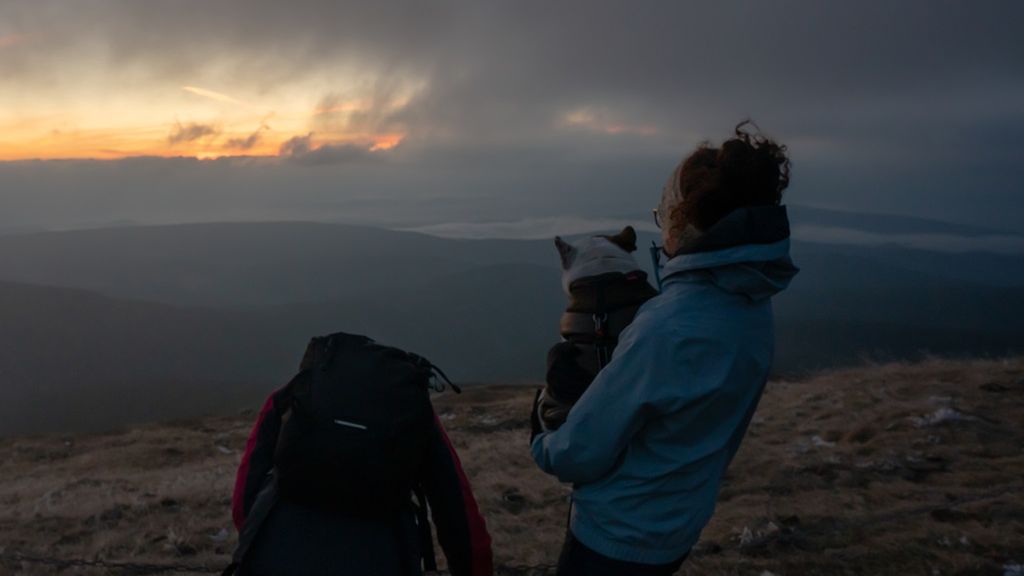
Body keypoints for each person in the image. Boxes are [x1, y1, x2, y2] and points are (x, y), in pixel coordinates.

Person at [531, 121, 799, 575]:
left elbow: (578, 455)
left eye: (664, 215)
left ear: (685, 222)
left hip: (616, 535)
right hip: (679, 523)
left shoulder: (668, 326)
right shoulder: (750, 301)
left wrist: (543, 429)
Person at [231, 338, 493, 576]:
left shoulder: (295, 395)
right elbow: (458, 510)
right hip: (382, 559)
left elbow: (244, 500)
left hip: (273, 555)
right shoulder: (412, 412)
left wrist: (257, 540)